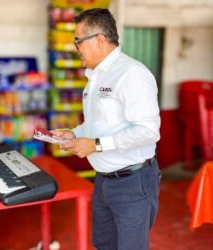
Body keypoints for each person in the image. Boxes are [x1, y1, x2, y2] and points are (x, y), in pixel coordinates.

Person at [52, 8, 161, 250]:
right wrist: (76, 134)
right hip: (103, 180)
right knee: (103, 244)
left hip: (132, 182)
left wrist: (97, 144)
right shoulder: (96, 77)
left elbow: (148, 131)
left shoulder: (131, 74)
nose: (75, 48)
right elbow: (97, 124)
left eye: (77, 41)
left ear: (100, 40)